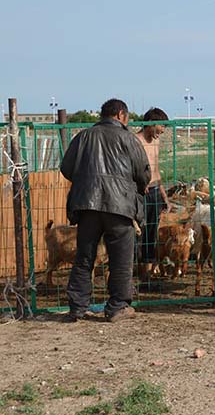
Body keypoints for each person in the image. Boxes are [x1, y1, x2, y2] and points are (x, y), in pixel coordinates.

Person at [60, 98, 151, 322]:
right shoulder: (128, 138)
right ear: (121, 115)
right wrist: (135, 185)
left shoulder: (83, 137)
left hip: (87, 205)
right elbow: (143, 173)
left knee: (84, 257)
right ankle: (117, 307)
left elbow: (66, 168)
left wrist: (85, 181)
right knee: (121, 258)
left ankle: (77, 308)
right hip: (120, 207)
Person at [134, 107, 170, 282]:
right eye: (160, 127)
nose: (162, 131)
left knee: (151, 231)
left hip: (155, 190)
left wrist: (163, 192)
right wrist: (139, 184)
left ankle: (147, 273)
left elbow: (155, 168)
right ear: (151, 123)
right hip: (140, 192)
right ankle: (136, 268)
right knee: (137, 230)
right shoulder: (135, 141)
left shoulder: (156, 142)